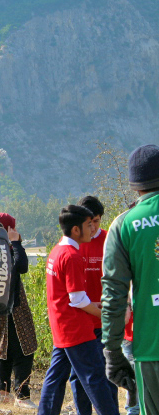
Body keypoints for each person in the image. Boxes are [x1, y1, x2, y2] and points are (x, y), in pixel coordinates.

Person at [37, 205, 119, 415]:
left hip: (62, 325)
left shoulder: (57, 251)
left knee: (56, 377)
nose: (93, 229)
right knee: (95, 378)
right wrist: (106, 314)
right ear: (76, 230)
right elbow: (77, 299)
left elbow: (70, 296)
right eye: (88, 225)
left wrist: (95, 304)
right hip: (76, 328)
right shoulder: (72, 255)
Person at [102, 144, 159, 415]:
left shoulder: (124, 225)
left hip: (150, 348)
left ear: (134, 186)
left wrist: (112, 351)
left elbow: (114, 296)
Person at [70, 196, 118, 415]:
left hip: (104, 319)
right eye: (88, 222)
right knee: (78, 375)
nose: (92, 227)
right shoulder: (74, 244)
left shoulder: (111, 240)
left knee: (107, 371)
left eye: (96, 221)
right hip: (79, 320)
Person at [0, 213, 38, 410]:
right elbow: (22, 266)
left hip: (0, 307)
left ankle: (2, 392)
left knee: (5, 348)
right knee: (25, 348)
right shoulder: (5, 249)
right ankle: (22, 394)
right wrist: (16, 243)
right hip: (13, 307)